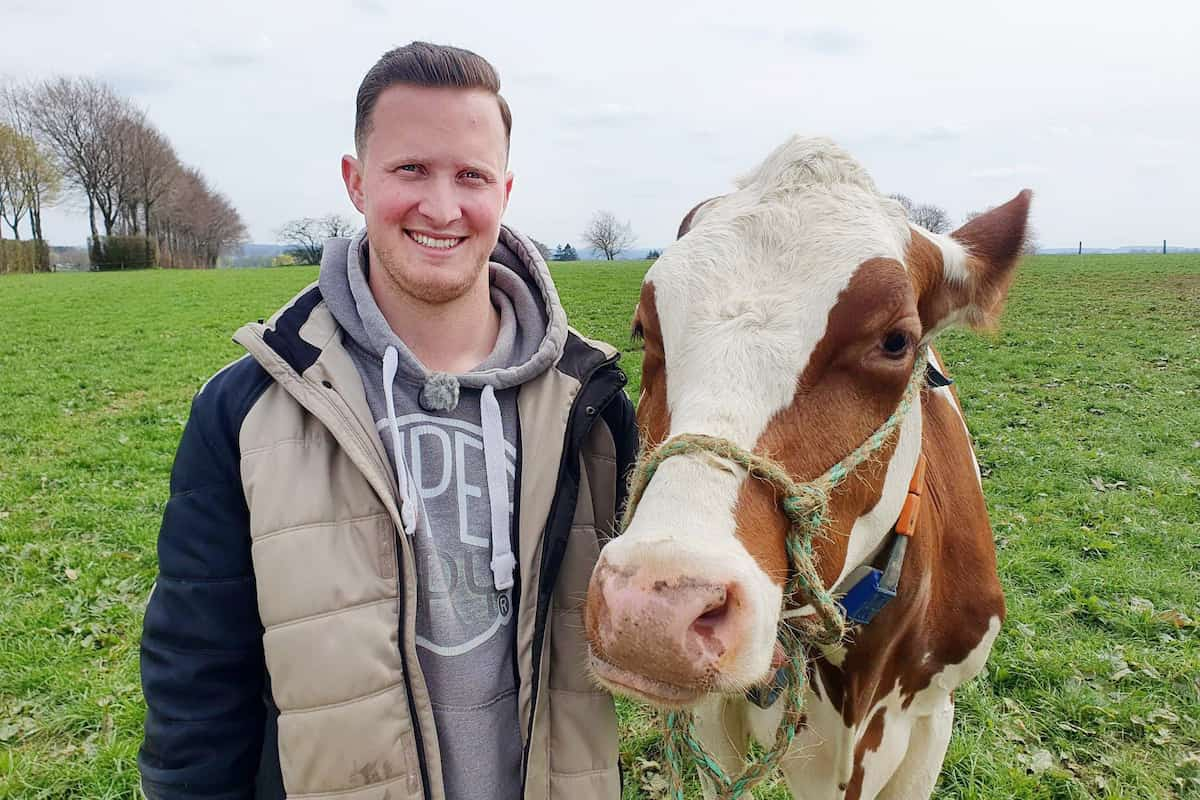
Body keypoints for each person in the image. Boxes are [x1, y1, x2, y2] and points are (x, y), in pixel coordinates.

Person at [138, 41, 637, 800]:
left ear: (505, 189)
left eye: (471, 176)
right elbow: (196, 679)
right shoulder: (249, 408)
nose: (442, 207)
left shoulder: (592, 406)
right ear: (355, 180)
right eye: (411, 170)